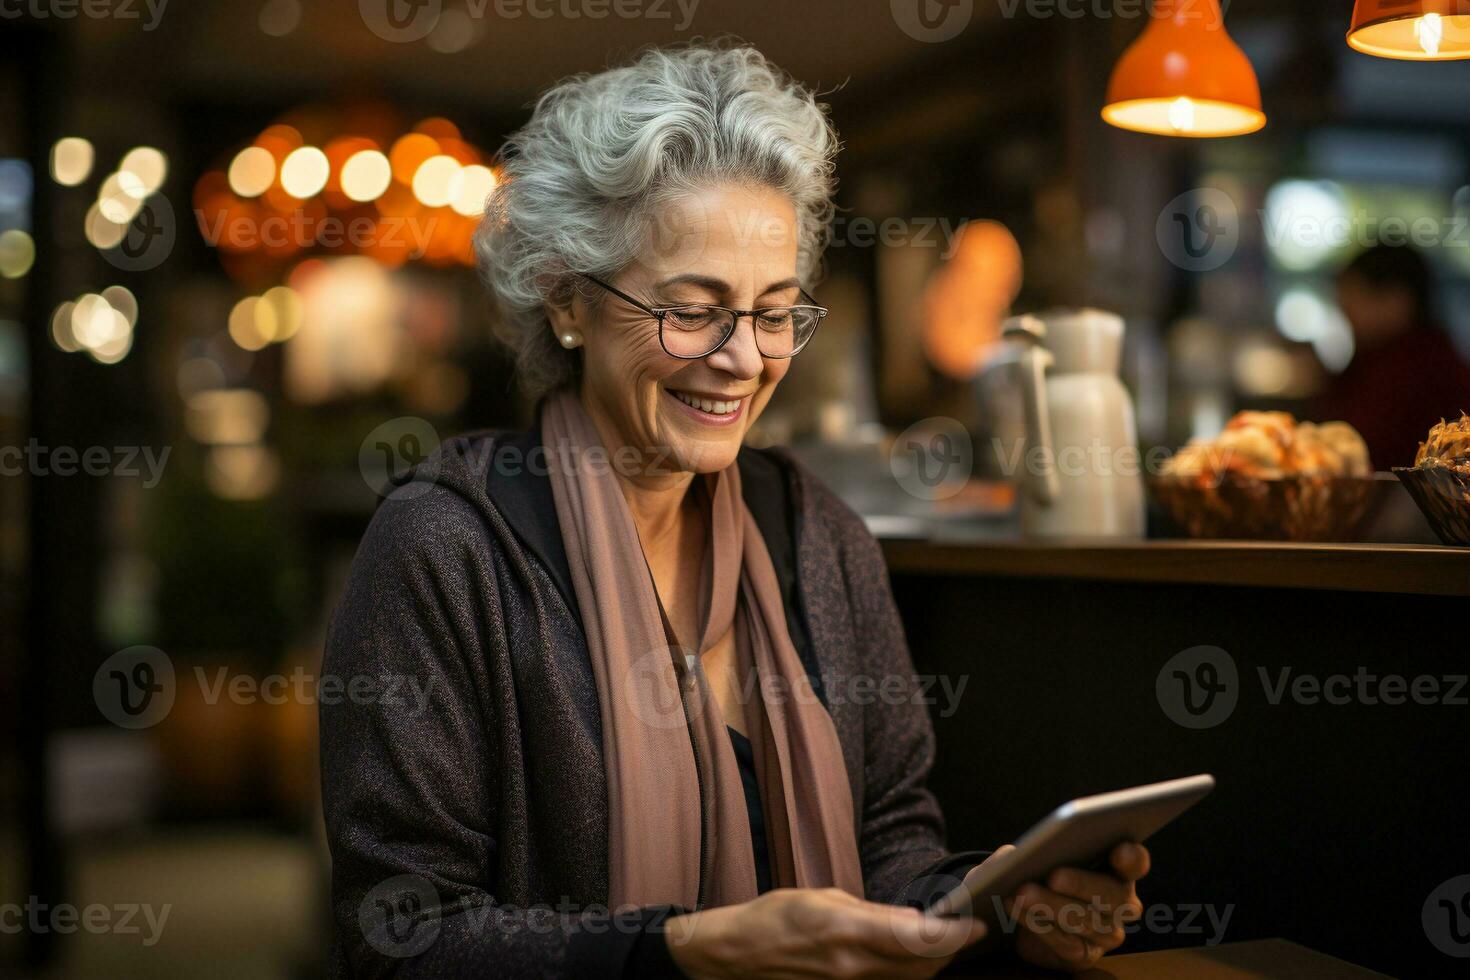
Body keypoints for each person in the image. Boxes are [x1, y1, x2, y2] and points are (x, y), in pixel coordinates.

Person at [320, 43, 1150, 979]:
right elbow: (398, 936)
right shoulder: (444, 550)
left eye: (774, 312)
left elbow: (890, 850)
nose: (745, 360)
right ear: (566, 303)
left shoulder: (820, 535)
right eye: (692, 309)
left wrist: (992, 904)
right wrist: (682, 955)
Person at [1317, 243, 1470, 468]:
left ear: (1396, 300)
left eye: (1353, 296)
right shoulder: (1382, 358)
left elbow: (1366, 448)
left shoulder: (1416, 367)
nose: (1344, 309)